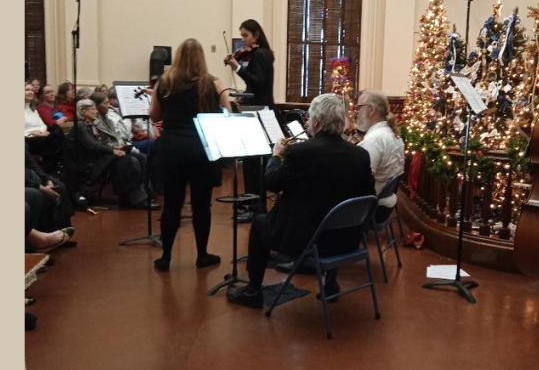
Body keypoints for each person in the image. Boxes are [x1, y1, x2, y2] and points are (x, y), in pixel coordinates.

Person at [228, 94, 375, 308]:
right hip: (347, 241)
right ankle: (331, 285)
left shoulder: (301, 152)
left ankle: (253, 292)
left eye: (309, 119)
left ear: (316, 122)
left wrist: (276, 156)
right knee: (333, 208)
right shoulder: (360, 155)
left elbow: (271, 183)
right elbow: (368, 195)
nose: (306, 123)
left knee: (260, 223)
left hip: (308, 242)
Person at [149, 38, 231, 272]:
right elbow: (228, 108)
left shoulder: (165, 82)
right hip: (202, 149)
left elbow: (155, 116)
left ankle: (165, 257)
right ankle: (202, 255)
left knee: (172, 204)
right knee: (201, 205)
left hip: (172, 148)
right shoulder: (211, 82)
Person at [224, 19, 276, 218]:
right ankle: (252, 203)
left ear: (256, 35)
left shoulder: (261, 54)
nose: (243, 41)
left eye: (246, 35)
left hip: (259, 113)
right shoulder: (259, 54)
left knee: (254, 163)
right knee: (250, 163)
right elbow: (255, 87)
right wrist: (242, 97)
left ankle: (256, 207)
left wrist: (238, 68)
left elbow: (259, 81)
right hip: (255, 108)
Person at [72, 99, 157, 209]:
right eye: (92, 110)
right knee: (129, 160)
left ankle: (146, 194)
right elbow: (92, 145)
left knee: (142, 158)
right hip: (91, 161)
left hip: (102, 155)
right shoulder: (80, 125)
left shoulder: (92, 123)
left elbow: (105, 138)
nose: (96, 112)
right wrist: (113, 150)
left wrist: (97, 123)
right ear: (83, 111)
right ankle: (136, 199)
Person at [356, 90, 406, 223]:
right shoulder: (391, 134)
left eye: (359, 107)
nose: (357, 112)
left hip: (371, 209)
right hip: (384, 204)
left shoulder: (374, 141)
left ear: (371, 109)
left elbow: (361, 181)